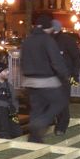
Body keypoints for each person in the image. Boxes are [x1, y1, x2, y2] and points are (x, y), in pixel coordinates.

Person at [20, 13, 69, 143]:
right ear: (47, 27)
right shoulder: (47, 40)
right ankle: (41, 123)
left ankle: (34, 138)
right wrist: (65, 76)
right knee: (60, 102)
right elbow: (56, 61)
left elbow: (22, 60)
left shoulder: (27, 40)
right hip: (46, 80)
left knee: (37, 108)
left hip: (29, 81)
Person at [51, 19, 80, 135]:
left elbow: (77, 58)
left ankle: (61, 125)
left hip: (64, 76)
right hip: (51, 76)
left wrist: (75, 75)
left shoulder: (67, 41)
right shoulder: (47, 40)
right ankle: (55, 122)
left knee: (62, 101)